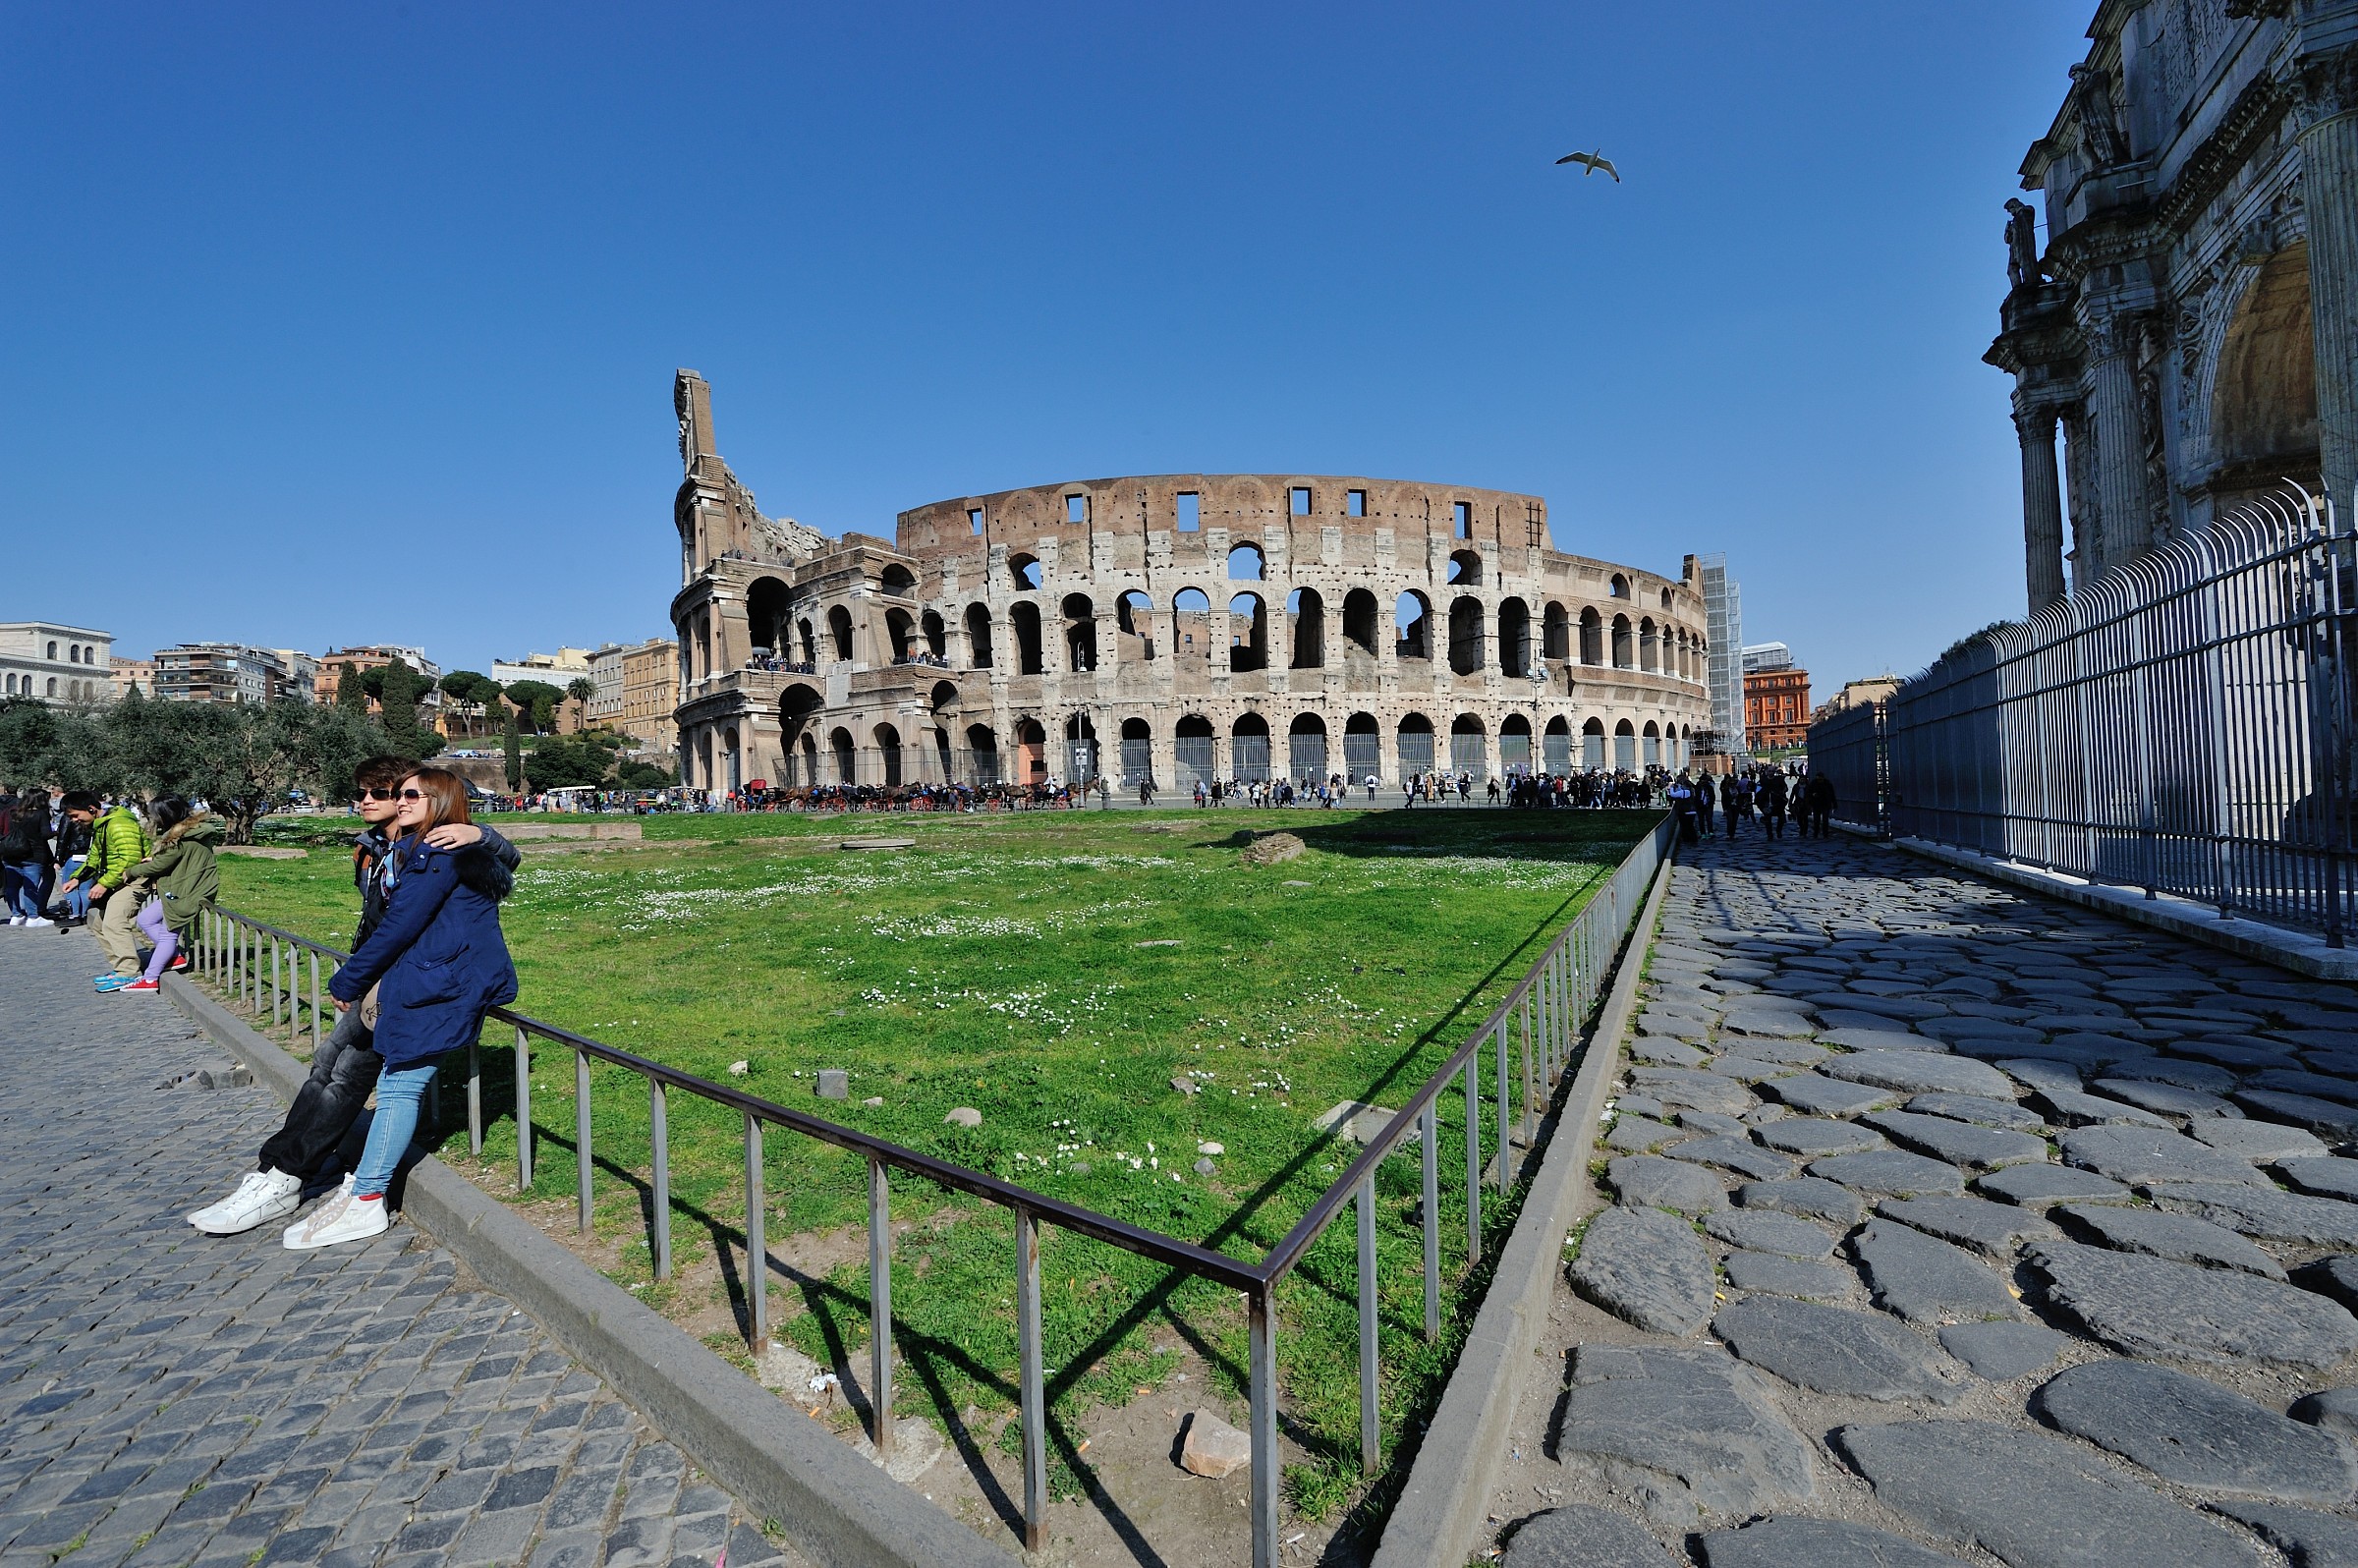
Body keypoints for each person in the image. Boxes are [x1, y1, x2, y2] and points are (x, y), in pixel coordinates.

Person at [186, 756, 520, 1237]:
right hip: (388, 980)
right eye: (376, 792)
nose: (373, 801)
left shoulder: (437, 849)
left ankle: (315, 1181)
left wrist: (481, 833)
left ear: (436, 802)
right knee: (326, 1069)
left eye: (395, 794)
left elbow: (422, 912)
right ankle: (282, 1172)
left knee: (362, 1082)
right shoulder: (379, 848)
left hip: (409, 984)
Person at [283, 767, 519, 1251]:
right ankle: (365, 1186)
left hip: (442, 982)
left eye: (413, 794)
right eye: (399, 794)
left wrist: (350, 977)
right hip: (433, 975)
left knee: (399, 1086)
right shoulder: (417, 849)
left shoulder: (438, 852)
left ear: (440, 800)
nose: (401, 800)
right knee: (396, 1083)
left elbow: (399, 926)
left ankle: (369, 1196)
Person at [116, 798, 220, 994]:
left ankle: (150, 978)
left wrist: (132, 871)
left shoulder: (178, 839)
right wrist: (156, 858)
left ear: (165, 815)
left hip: (187, 889)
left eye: (155, 815)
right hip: (189, 884)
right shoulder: (194, 831)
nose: (153, 819)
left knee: (168, 933)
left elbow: (160, 865)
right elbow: (173, 859)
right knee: (146, 919)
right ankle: (174, 956)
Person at [59, 792, 150, 985]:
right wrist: (77, 878)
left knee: (114, 922)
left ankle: (129, 971)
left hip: (134, 879)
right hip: (119, 880)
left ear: (91, 809)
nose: (75, 821)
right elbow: (95, 857)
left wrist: (104, 883)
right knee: (98, 923)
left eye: (76, 816)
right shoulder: (102, 825)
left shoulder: (119, 824)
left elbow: (129, 859)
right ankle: (120, 967)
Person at [2, 788, 56, 927]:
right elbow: (45, 834)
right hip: (34, 854)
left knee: (12, 886)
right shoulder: (39, 814)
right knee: (30, 886)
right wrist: (55, 832)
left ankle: (16, 914)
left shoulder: (14, 813)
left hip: (12, 852)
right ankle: (33, 916)